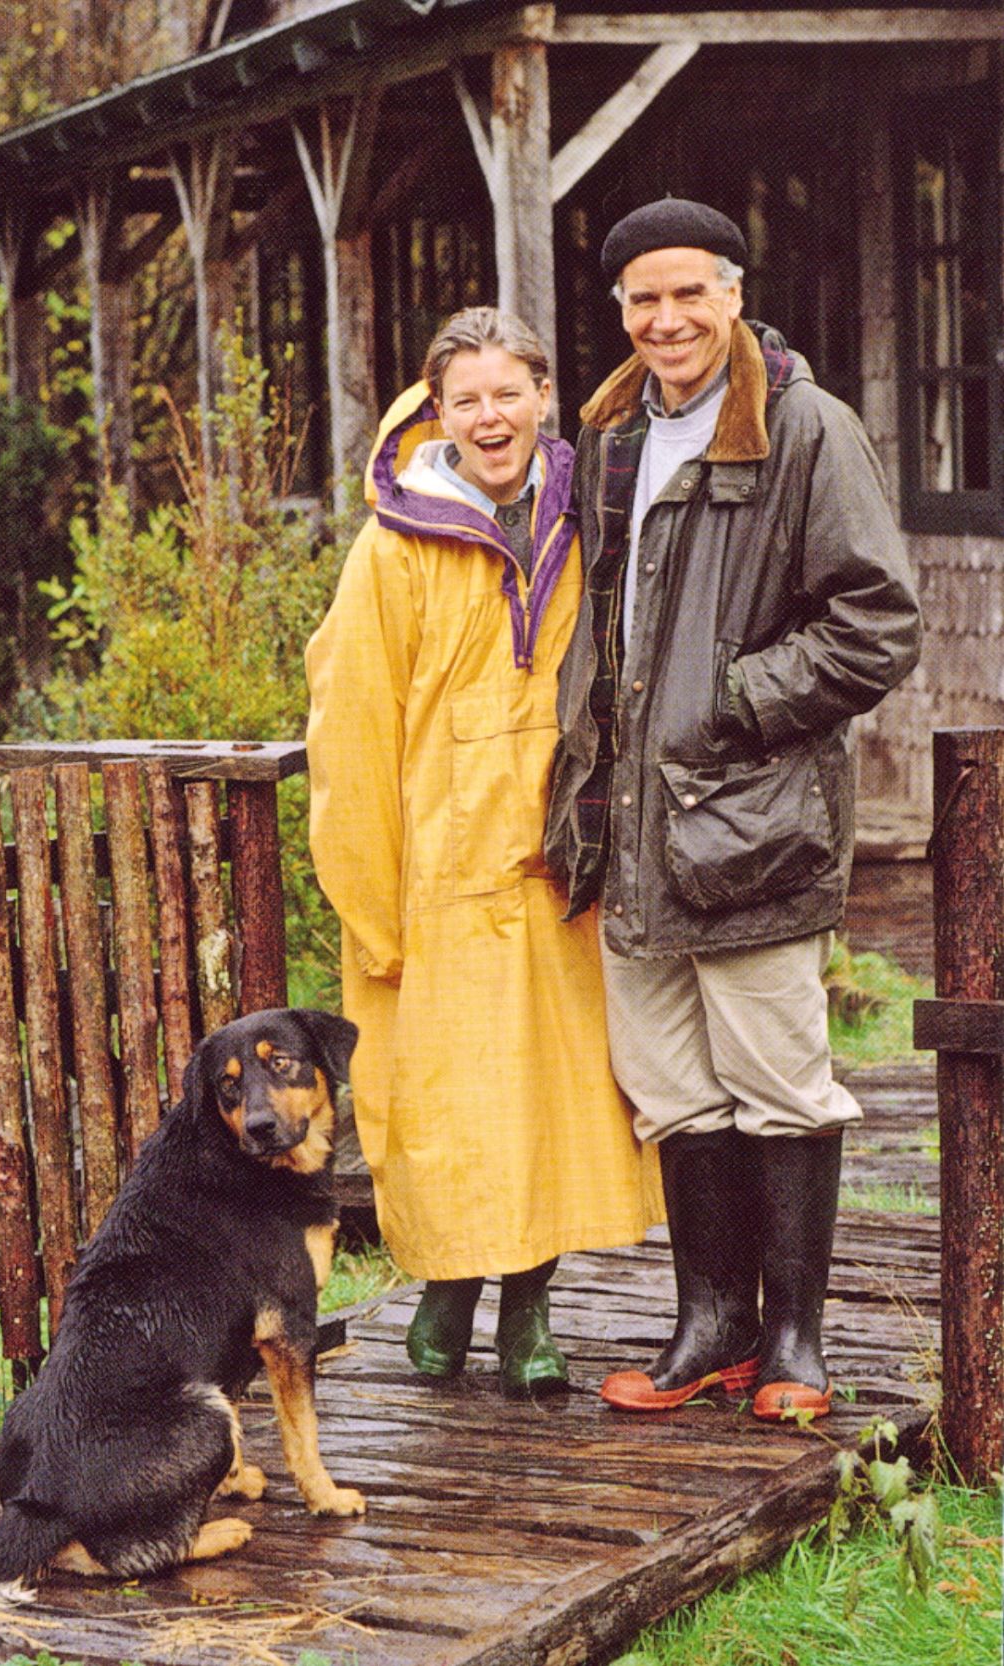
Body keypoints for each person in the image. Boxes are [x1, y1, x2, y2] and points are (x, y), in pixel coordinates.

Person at [544, 199, 921, 1421]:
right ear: (619, 313)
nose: (667, 320)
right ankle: (710, 1326)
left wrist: (729, 703)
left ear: (734, 293)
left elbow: (877, 624)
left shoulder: (808, 428)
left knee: (780, 1083)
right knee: (673, 1087)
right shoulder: (606, 433)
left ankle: (797, 1344)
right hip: (633, 826)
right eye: (642, 300)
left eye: (688, 294)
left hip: (754, 817)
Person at [306, 306, 663, 1397]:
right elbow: (351, 722)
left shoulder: (591, 513)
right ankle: (448, 1291)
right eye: (467, 398)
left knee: (553, 1097)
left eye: (509, 392)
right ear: (438, 411)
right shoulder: (395, 541)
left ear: (544, 395)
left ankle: (529, 1310)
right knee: (452, 1105)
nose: (491, 416)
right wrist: (369, 895)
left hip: (556, 860)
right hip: (438, 871)